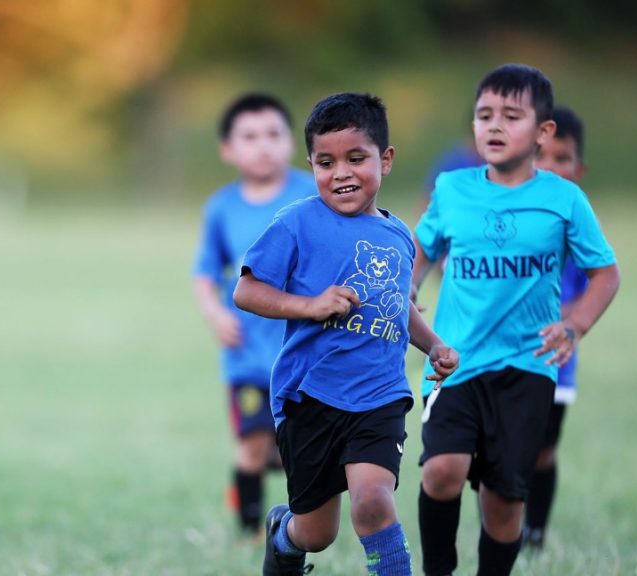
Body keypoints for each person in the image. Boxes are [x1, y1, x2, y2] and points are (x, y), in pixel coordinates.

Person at [234, 92, 459, 576]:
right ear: (310, 164)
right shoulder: (297, 222)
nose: (341, 173)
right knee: (318, 532)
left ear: (386, 159)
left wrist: (434, 343)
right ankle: (284, 537)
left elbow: (399, 307)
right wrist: (310, 305)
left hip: (380, 396)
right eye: (325, 162)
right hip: (309, 398)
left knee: (373, 502)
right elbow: (247, 291)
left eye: (356, 159)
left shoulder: (400, 236)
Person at [412, 64, 621, 576]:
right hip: (455, 360)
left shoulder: (564, 198)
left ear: (543, 132)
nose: (494, 126)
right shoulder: (452, 189)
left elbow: (606, 274)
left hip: (528, 370)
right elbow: (421, 246)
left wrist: (575, 325)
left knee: (503, 502)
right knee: (441, 469)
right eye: (484, 115)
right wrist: (410, 288)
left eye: (511, 115)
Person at [192, 92, 316, 537]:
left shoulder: (312, 194)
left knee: (299, 448)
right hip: (246, 355)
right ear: (228, 149)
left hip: (303, 351)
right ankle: (250, 533)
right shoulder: (222, 207)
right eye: (249, 136)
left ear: (292, 142)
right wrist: (213, 314)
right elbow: (205, 271)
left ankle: (305, 525)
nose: (262, 145)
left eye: (273, 134)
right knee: (251, 444)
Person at [523, 105, 589, 549]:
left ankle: (535, 533)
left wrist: (571, 323)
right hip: (495, 353)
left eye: (561, 158)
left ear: (578, 169)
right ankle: (504, 525)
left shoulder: (579, 222)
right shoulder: (505, 218)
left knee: (541, 451)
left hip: (553, 361)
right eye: (540, 156)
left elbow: (597, 280)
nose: (550, 168)